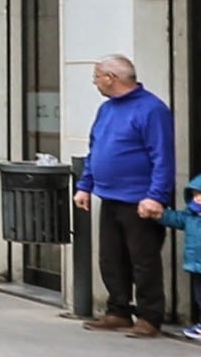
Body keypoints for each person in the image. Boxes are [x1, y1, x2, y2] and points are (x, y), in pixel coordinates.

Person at [75, 53, 177, 338]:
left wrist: (156, 195)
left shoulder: (151, 110)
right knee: (111, 258)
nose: (95, 82)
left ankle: (149, 316)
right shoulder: (106, 109)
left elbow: (162, 157)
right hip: (110, 195)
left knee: (143, 260)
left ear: (111, 78)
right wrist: (85, 185)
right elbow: (95, 149)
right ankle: (117, 310)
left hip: (140, 199)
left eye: (96, 76)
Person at [153, 174, 201, 341]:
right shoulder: (191, 215)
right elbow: (176, 219)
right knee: (198, 296)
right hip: (196, 264)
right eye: (196, 195)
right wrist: (160, 215)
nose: (198, 199)